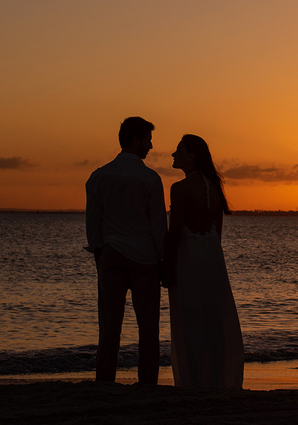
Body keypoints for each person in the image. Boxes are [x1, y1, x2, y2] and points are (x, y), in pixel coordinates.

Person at [84, 116, 167, 384]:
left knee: (109, 326)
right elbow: (158, 225)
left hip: (112, 254)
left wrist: (99, 252)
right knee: (148, 328)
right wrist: (163, 259)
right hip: (145, 258)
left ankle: (105, 380)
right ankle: (147, 383)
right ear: (135, 140)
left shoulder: (99, 176)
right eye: (147, 140)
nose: (151, 146)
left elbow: (93, 221)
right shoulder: (150, 179)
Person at [164, 134, 244, 389]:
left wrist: (167, 264)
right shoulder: (214, 189)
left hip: (188, 258)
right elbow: (217, 235)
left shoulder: (180, 188)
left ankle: (195, 381)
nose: (173, 155)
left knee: (190, 320)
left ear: (192, 156)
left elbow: (175, 231)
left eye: (178, 150)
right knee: (213, 322)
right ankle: (216, 379)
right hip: (212, 260)